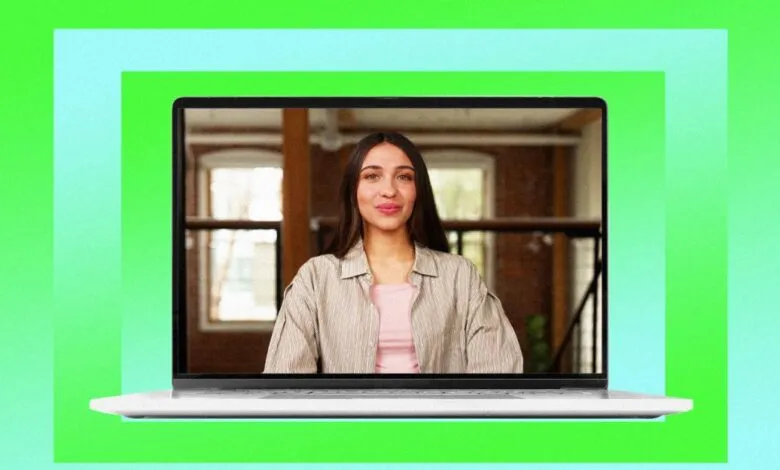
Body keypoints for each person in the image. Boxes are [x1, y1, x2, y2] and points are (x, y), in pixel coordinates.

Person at [264, 131, 523, 374]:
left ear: (418, 191)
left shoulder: (459, 276)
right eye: (372, 176)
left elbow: (497, 375)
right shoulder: (316, 277)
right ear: (353, 191)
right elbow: (285, 382)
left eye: (404, 177)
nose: (389, 190)